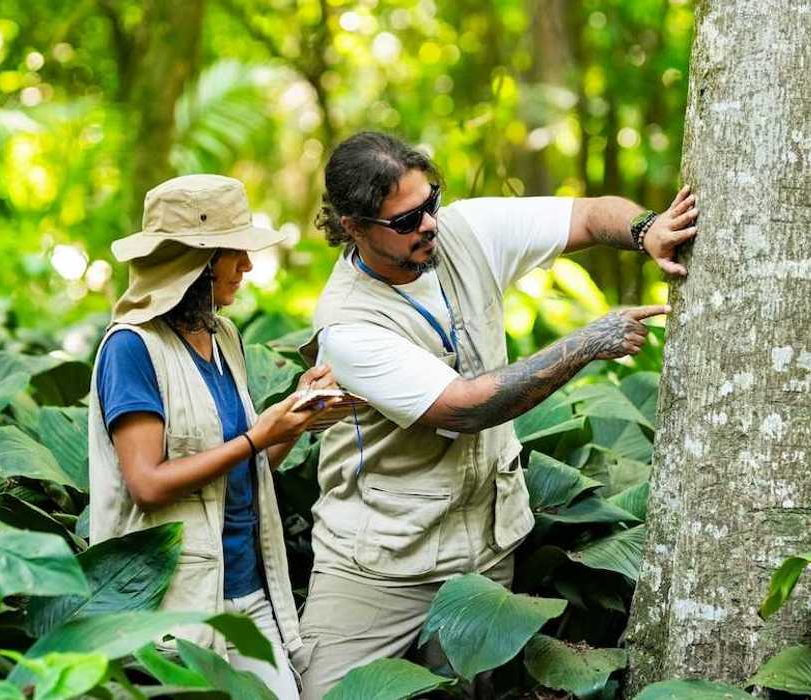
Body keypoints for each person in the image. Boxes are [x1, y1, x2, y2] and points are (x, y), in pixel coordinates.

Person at [295, 132, 698, 697]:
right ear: (354, 227)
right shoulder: (348, 326)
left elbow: (586, 215)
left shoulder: (463, 232)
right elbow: (465, 408)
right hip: (381, 560)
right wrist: (588, 343)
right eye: (406, 221)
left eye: (429, 203)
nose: (429, 224)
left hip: (484, 546)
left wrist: (644, 229)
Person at [86, 174, 338, 700]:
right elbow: (148, 484)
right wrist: (253, 438)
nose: (246, 266)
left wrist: (294, 418)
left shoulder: (223, 337)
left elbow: (246, 468)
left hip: (250, 592)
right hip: (178, 605)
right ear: (196, 263)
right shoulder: (132, 348)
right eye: (234, 253)